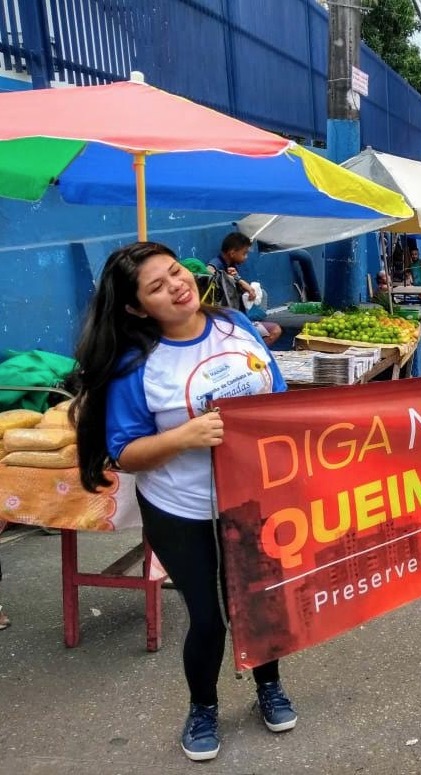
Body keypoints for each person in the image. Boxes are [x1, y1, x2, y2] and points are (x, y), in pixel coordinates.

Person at [70, 242, 298, 762]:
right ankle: (203, 707)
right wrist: (185, 436)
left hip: (252, 498)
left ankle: (269, 686)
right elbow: (124, 452)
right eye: (156, 286)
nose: (176, 285)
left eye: (175, 272)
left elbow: (278, 393)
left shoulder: (235, 325)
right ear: (135, 308)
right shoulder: (135, 365)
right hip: (181, 509)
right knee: (209, 618)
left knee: (261, 601)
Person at [207, 232, 281, 348]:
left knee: (274, 330)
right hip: (229, 324)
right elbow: (209, 273)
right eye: (244, 253)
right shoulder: (216, 265)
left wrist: (238, 280)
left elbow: (244, 287)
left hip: (240, 320)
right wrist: (230, 279)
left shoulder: (231, 267)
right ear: (232, 253)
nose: (246, 257)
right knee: (274, 330)